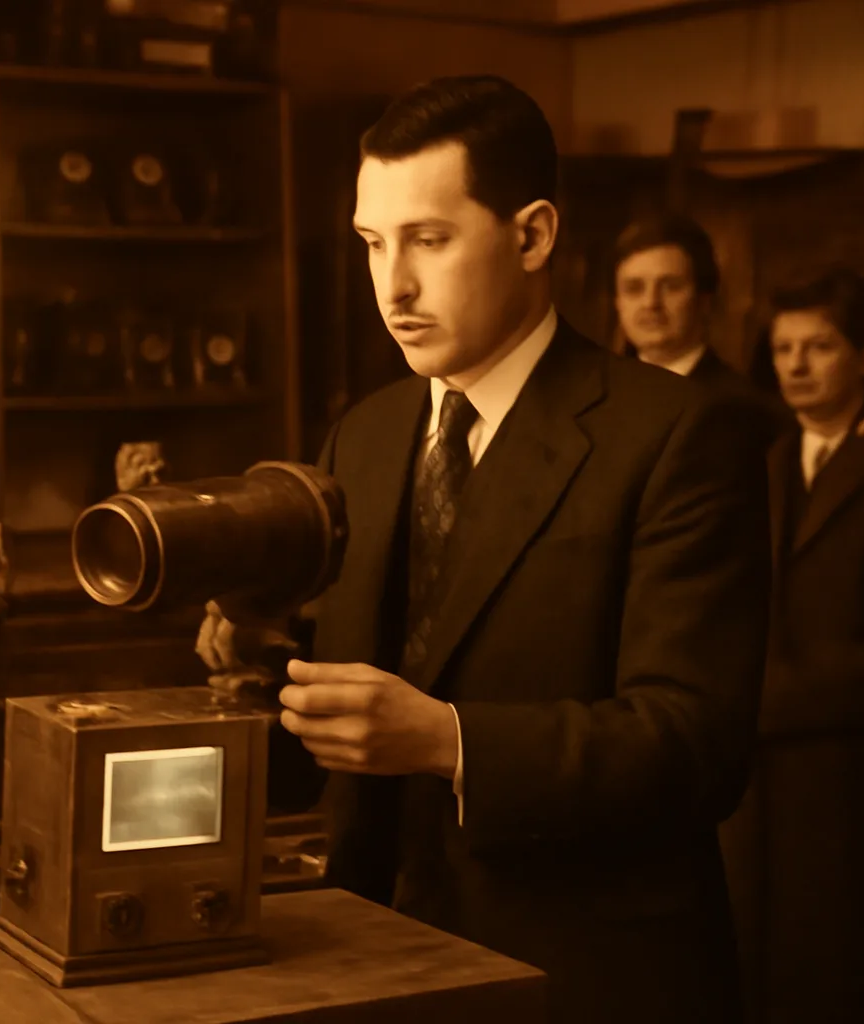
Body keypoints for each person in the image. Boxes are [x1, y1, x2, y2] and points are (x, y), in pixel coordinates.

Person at [198, 76, 770, 1024]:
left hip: (585, 975)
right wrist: (270, 677)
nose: (394, 286)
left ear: (534, 234)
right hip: (374, 960)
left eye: (430, 238)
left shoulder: (675, 433)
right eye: (374, 244)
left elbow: (695, 748)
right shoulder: (367, 436)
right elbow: (352, 727)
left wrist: (450, 741)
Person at [726, 267, 864, 1024]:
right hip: (759, 787)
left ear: (863, 356)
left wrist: (765, 696)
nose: (798, 366)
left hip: (846, 775)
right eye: (784, 349)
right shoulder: (765, 464)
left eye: (820, 346)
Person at [613, 214, 791, 445]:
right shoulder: (596, 402)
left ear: (704, 300)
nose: (651, 303)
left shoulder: (745, 410)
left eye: (670, 286)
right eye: (634, 289)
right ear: (618, 302)